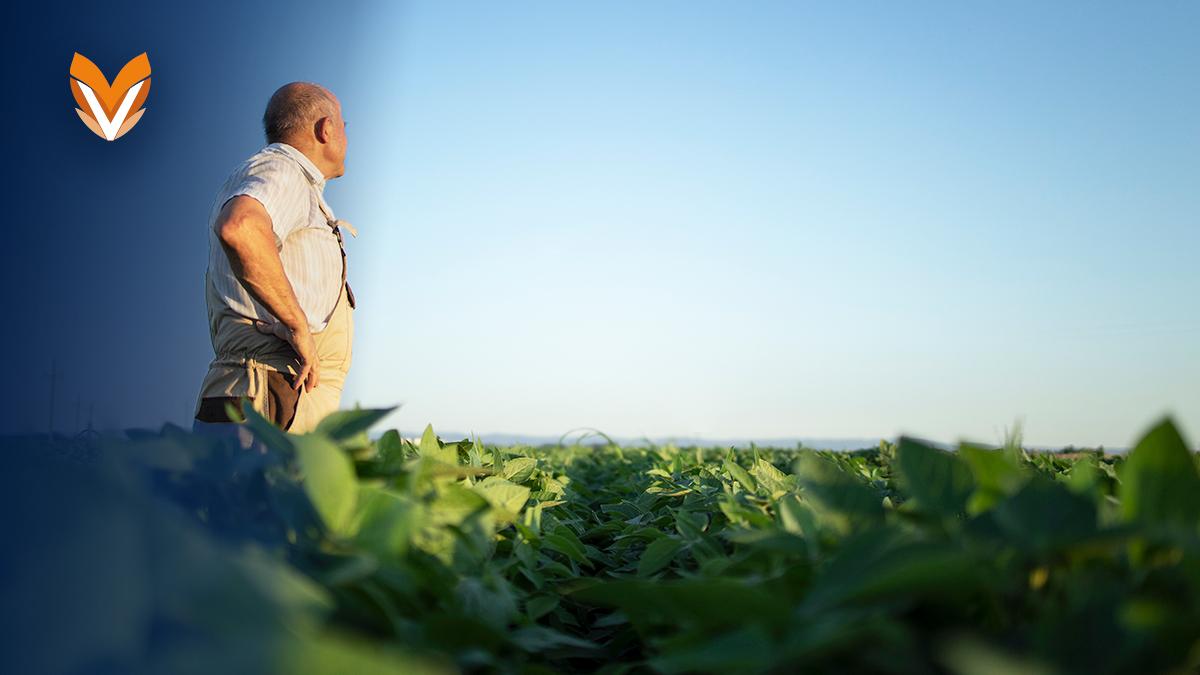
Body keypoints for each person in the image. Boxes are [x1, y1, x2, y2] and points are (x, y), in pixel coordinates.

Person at [192, 81, 356, 444]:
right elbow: (241, 227)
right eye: (345, 125)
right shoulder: (284, 172)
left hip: (270, 392)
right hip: (268, 394)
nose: (347, 135)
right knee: (259, 500)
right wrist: (297, 324)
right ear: (326, 128)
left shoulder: (275, 176)